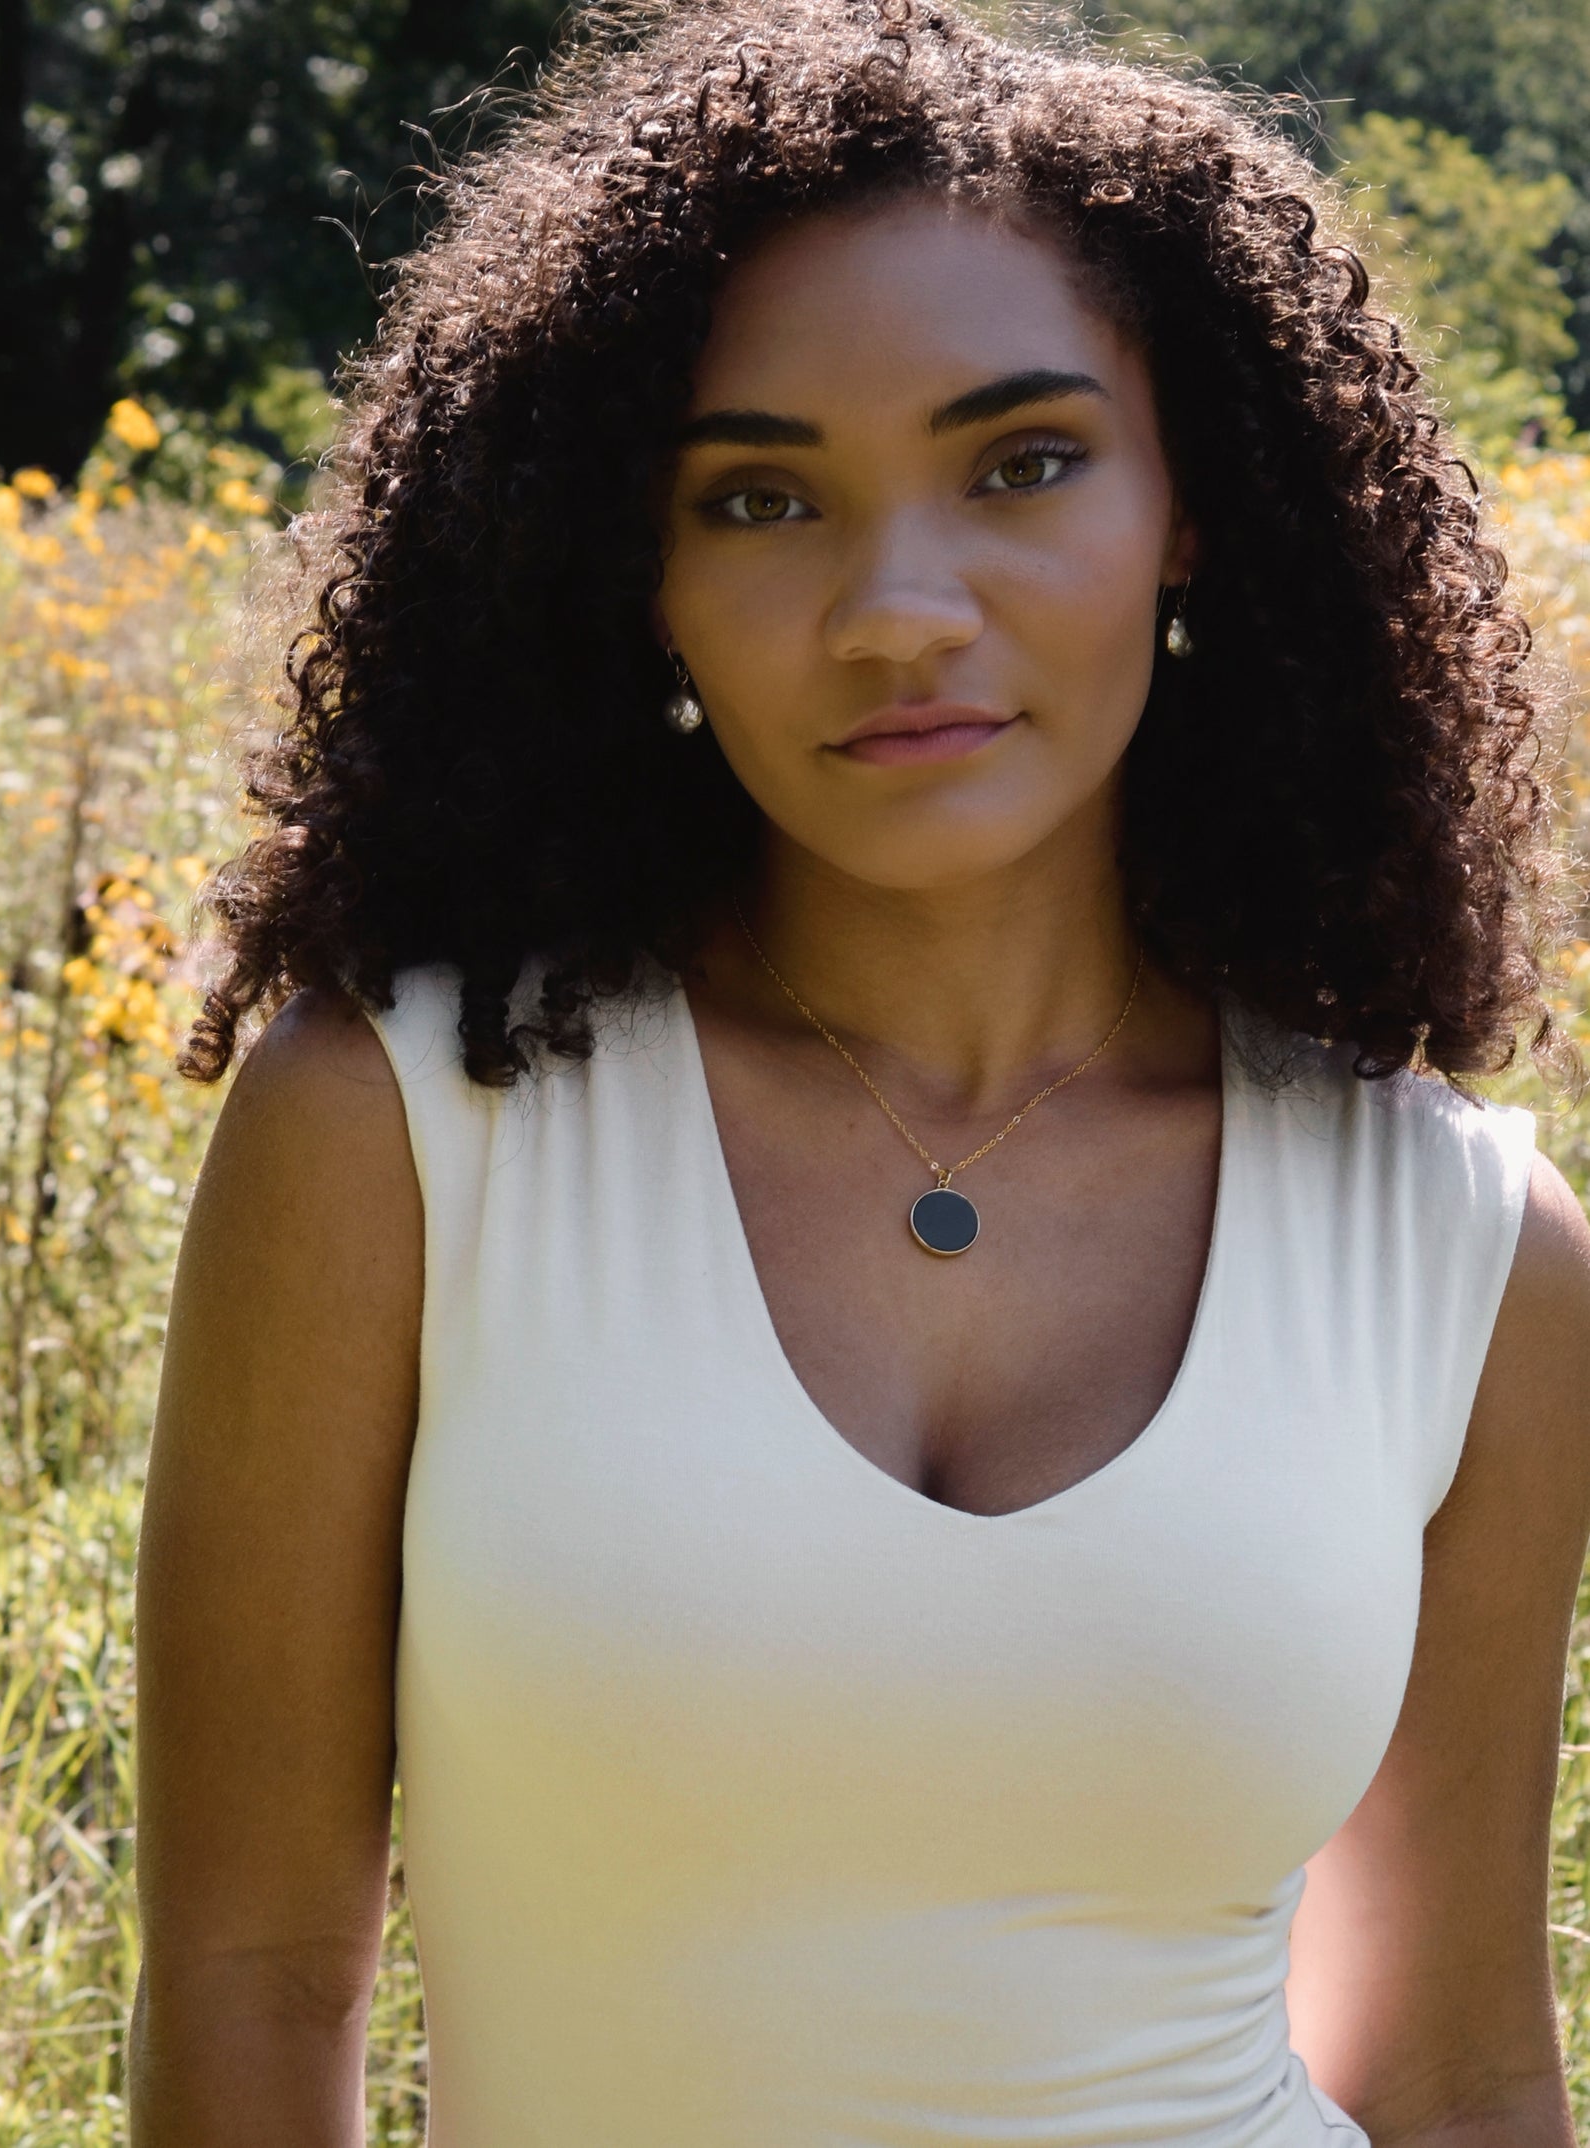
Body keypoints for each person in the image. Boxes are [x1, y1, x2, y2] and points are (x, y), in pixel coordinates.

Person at [127, 3, 1590, 2142]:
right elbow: (252, 1987)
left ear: (1196, 504)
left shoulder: (1470, 1251)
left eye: (1024, 462)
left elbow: (1452, 2059)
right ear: (634, 577)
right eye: (758, 497)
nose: (898, 611)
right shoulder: (404, 1131)